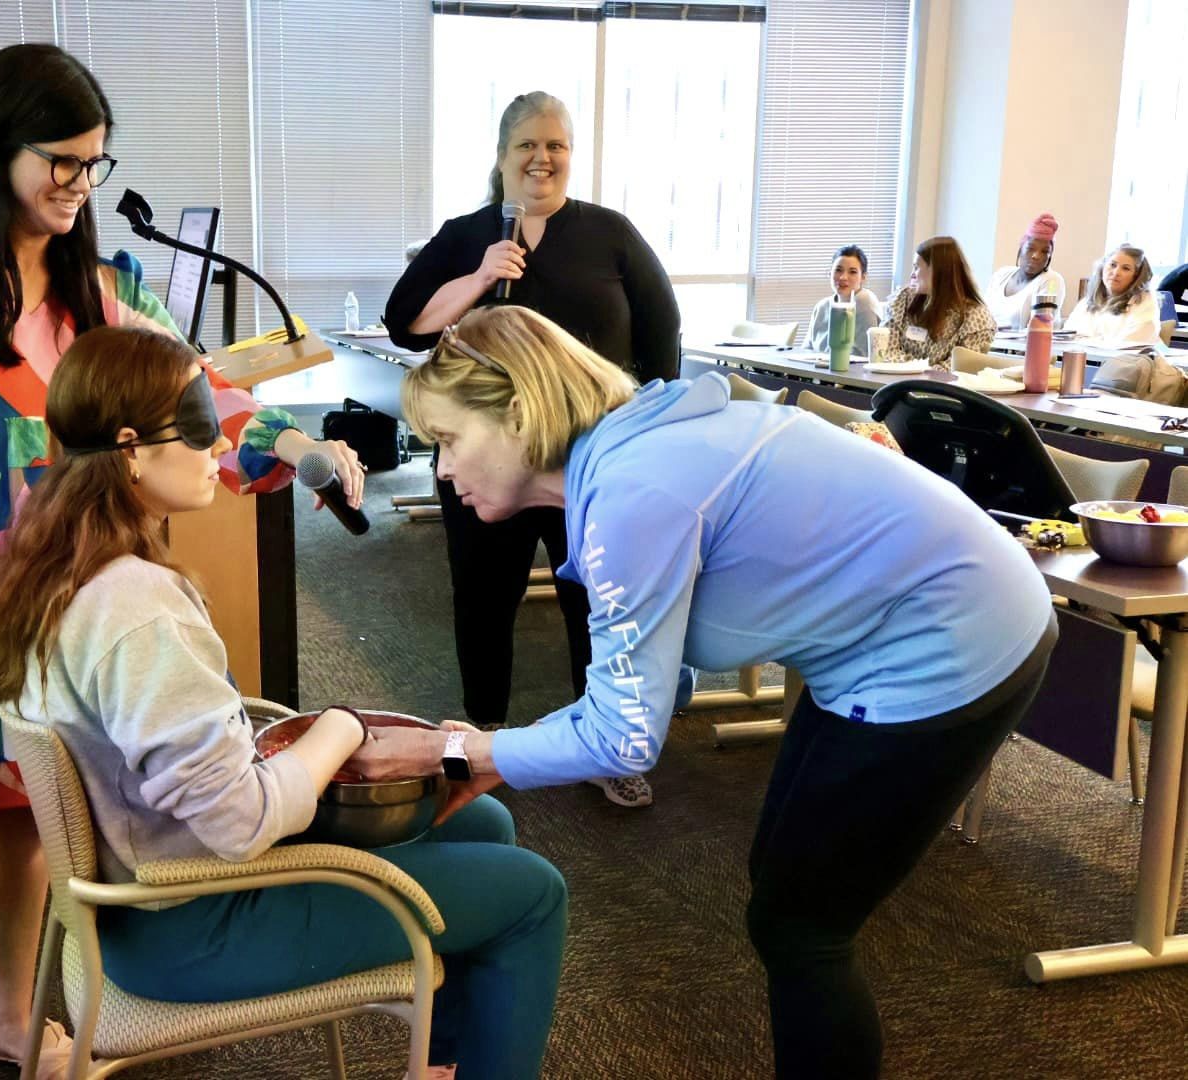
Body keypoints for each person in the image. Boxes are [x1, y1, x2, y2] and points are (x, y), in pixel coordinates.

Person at [0, 44, 362, 1060]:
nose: (77, 185)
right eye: (59, 161)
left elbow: (196, 392)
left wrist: (290, 444)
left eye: (92, 164)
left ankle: (10, 1025)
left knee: (30, 824)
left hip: (56, 614)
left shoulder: (99, 289)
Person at [348, 306, 1057, 1080]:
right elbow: (638, 694)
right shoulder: (632, 450)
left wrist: (460, 749)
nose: (442, 470)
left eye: (449, 440)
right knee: (782, 889)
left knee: (801, 929)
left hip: (953, 645)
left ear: (518, 415)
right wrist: (493, 758)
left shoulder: (631, 492)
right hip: (895, 634)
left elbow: (625, 740)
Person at [0, 325, 568, 1080]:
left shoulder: (58, 567)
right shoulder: (138, 608)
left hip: (139, 891)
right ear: (128, 449)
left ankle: (443, 1063)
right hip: (195, 920)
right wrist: (339, 729)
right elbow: (241, 820)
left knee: (481, 817)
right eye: (194, 426)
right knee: (534, 895)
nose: (217, 446)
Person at [383, 91, 679, 808]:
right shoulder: (466, 236)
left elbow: (662, 341)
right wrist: (483, 274)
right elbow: (406, 327)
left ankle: (608, 742)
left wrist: (644, 438)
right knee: (484, 596)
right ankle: (483, 732)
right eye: (528, 145)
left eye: (557, 145)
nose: (542, 159)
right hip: (486, 458)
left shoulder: (610, 235)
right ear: (502, 155)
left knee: (595, 600)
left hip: (587, 464)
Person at [881, 236, 996, 369]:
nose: (912, 274)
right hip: (896, 384)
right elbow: (885, 350)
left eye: (917, 267)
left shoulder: (976, 318)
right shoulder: (902, 300)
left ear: (937, 271)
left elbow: (958, 369)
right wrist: (913, 370)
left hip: (941, 389)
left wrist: (914, 371)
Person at [1064, 244, 1163, 348]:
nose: (1116, 273)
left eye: (1126, 268)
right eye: (1112, 265)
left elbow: (1130, 346)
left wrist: (1088, 341)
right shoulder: (1088, 301)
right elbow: (1067, 336)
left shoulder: (1144, 300)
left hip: (1126, 362)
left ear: (1136, 277)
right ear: (1102, 267)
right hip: (1085, 360)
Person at [982, 212, 1067, 329]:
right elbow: (981, 315)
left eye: (1044, 251)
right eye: (1030, 248)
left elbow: (1040, 330)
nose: (1036, 256)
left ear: (1050, 256)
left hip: (1024, 347)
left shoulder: (1052, 281)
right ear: (1021, 248)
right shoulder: (1001, 275)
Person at [804, 245, 881, 355]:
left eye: (852, 272)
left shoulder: (865, 302)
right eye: (838, 270)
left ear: (863, 277)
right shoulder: (822, 306)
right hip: (815, 368)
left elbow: (862, 354)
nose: (843, 277)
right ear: (829, 273)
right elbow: (807, 348)